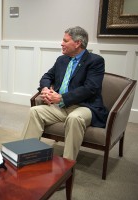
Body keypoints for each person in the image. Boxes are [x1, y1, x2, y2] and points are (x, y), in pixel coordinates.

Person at [21, 26, 109, 161]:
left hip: (84, 106)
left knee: (74, 118)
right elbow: (47, 77)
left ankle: (67, 165)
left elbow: (91, 88)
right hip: (61, 106)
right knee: (35, 112)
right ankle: (25, 156)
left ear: (78, 43)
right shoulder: (62, 60)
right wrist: (45, 89)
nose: (61, 43)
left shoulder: (95, 61)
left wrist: (62, 97)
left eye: (65, 40)